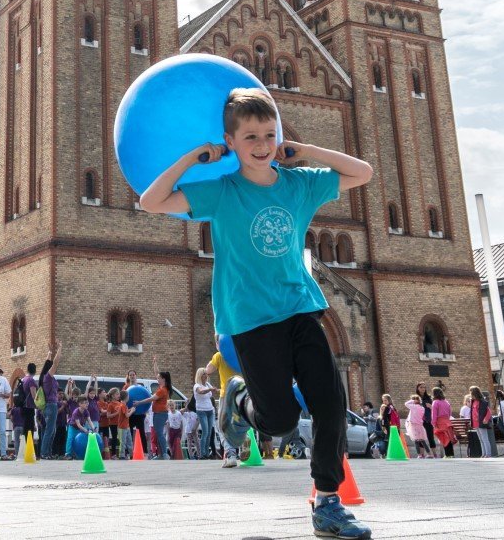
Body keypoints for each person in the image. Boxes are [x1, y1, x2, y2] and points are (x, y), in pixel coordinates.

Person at [141, 86, 375, 538]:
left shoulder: (300, 184)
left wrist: (303, 150)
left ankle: (327, 503)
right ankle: (239, 399)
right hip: (249, 320)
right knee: (281, 420)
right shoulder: (222, 192)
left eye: (269, 134)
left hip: (301, 309)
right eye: (250, 136)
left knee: (332, 402)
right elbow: (152, 201)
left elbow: (361, 172)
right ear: (230, 142)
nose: (262, 144)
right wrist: (193, 158)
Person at [38, 341, 61, 458]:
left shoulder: (44, 377)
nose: (53, 368)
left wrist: (50, 352)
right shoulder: (48, 377)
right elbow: (55, 363)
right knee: (49, 431)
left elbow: (48, 363)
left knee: (51, 430)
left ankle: (47, 452)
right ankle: (44, 453)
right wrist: (60, 349)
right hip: (51, 406)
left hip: (48, 406)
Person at [148, 364, 172, 460]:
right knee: (158, 433)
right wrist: (155, 363)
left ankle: (165, 454)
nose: (157, 379)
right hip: (158, 413)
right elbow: (156, 373)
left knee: (160, 433)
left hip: (160, 414)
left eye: (158, 378)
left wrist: (139, 402)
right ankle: (161, 455)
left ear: (163, 379)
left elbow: (151, 399)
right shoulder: (162, 386)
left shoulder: (162, 390)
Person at [193, 366, 218, 459]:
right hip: (201, 411)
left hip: (210, 410)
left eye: (206, 373)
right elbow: (201, 392)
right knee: (205, 432)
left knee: (209, 432)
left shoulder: (208, 384)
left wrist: (223, 390)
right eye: (204, 373)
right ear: (200, 375)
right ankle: (202, 454)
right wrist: (210, 390)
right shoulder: (197, 385)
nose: (206, 375)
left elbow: (215, 390)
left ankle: (206, 453)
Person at [468, 387, 494, 457]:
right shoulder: (473, 402)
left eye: (471, 393)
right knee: (481, 439)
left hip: (481, 423)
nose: (470, 395)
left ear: (475, 394)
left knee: (485, 439)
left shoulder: (482, 402)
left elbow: (488, 412)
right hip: (476, 423)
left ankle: (488, 454)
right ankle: (483, 454)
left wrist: (486, 419)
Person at [430, 387, 454, 459]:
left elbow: (434, 414)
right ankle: (450, 454)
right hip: (447, 421)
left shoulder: (435, 402)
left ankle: (448, 454)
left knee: (443, 438)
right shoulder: (446, 402)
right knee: (448, 438)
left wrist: (433, 423)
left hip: (440, 422)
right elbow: (450, 412)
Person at [405, 394, 431, 458]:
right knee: (422, 440)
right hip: (420, 425)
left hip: (413, 425)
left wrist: (412, 401)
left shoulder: (413, 406)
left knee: (416, 441)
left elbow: (406, 404)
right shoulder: (422, 408)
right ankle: (429, 454)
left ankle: (419, 455)